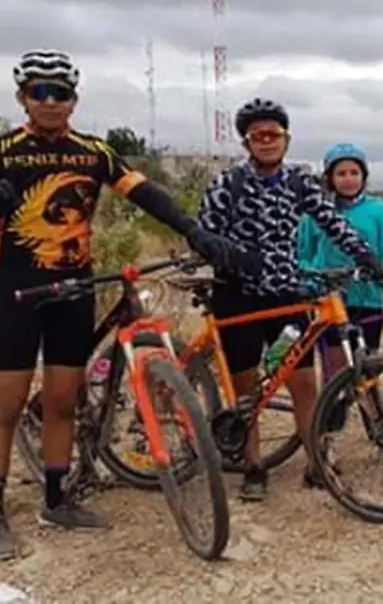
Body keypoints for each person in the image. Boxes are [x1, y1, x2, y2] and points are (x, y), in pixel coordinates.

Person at [0, 49, 256, 558]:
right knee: (5, 406)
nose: (50, 101)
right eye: (39, 92)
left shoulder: (93, 151)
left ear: (74, 99)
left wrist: (193, 231)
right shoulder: (4, 150)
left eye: (61, 93)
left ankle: (56, 497)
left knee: (63, 400)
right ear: (22, 97)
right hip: (14, 289)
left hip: (74, 286)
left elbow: (144, 193)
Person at [197, 98, 383, 502]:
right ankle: (252, 465)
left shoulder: (300, 183)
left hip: (286, 295)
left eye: (274, 135)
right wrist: (231, 257)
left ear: (287, 139)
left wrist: (365, 253)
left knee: (303, 383)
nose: (267, 142)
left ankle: (316, 463)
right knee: (246, 390)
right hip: (238, 296)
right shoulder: (226, 185)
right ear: (247, 142)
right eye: (258, 135)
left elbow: (333, 222)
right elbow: (203, 235)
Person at [298, 142, 383, 369]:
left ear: (364, 176)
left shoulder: (380, 210)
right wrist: (309, 282)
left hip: (368, 298)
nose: (348, 179)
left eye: (354, 173)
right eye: (341, 173)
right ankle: (333, 406)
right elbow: (303, 255)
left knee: (367, 372)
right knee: (336, 372)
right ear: (330, 178)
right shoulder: (315, 213)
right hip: (328, 301)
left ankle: (366, 406)